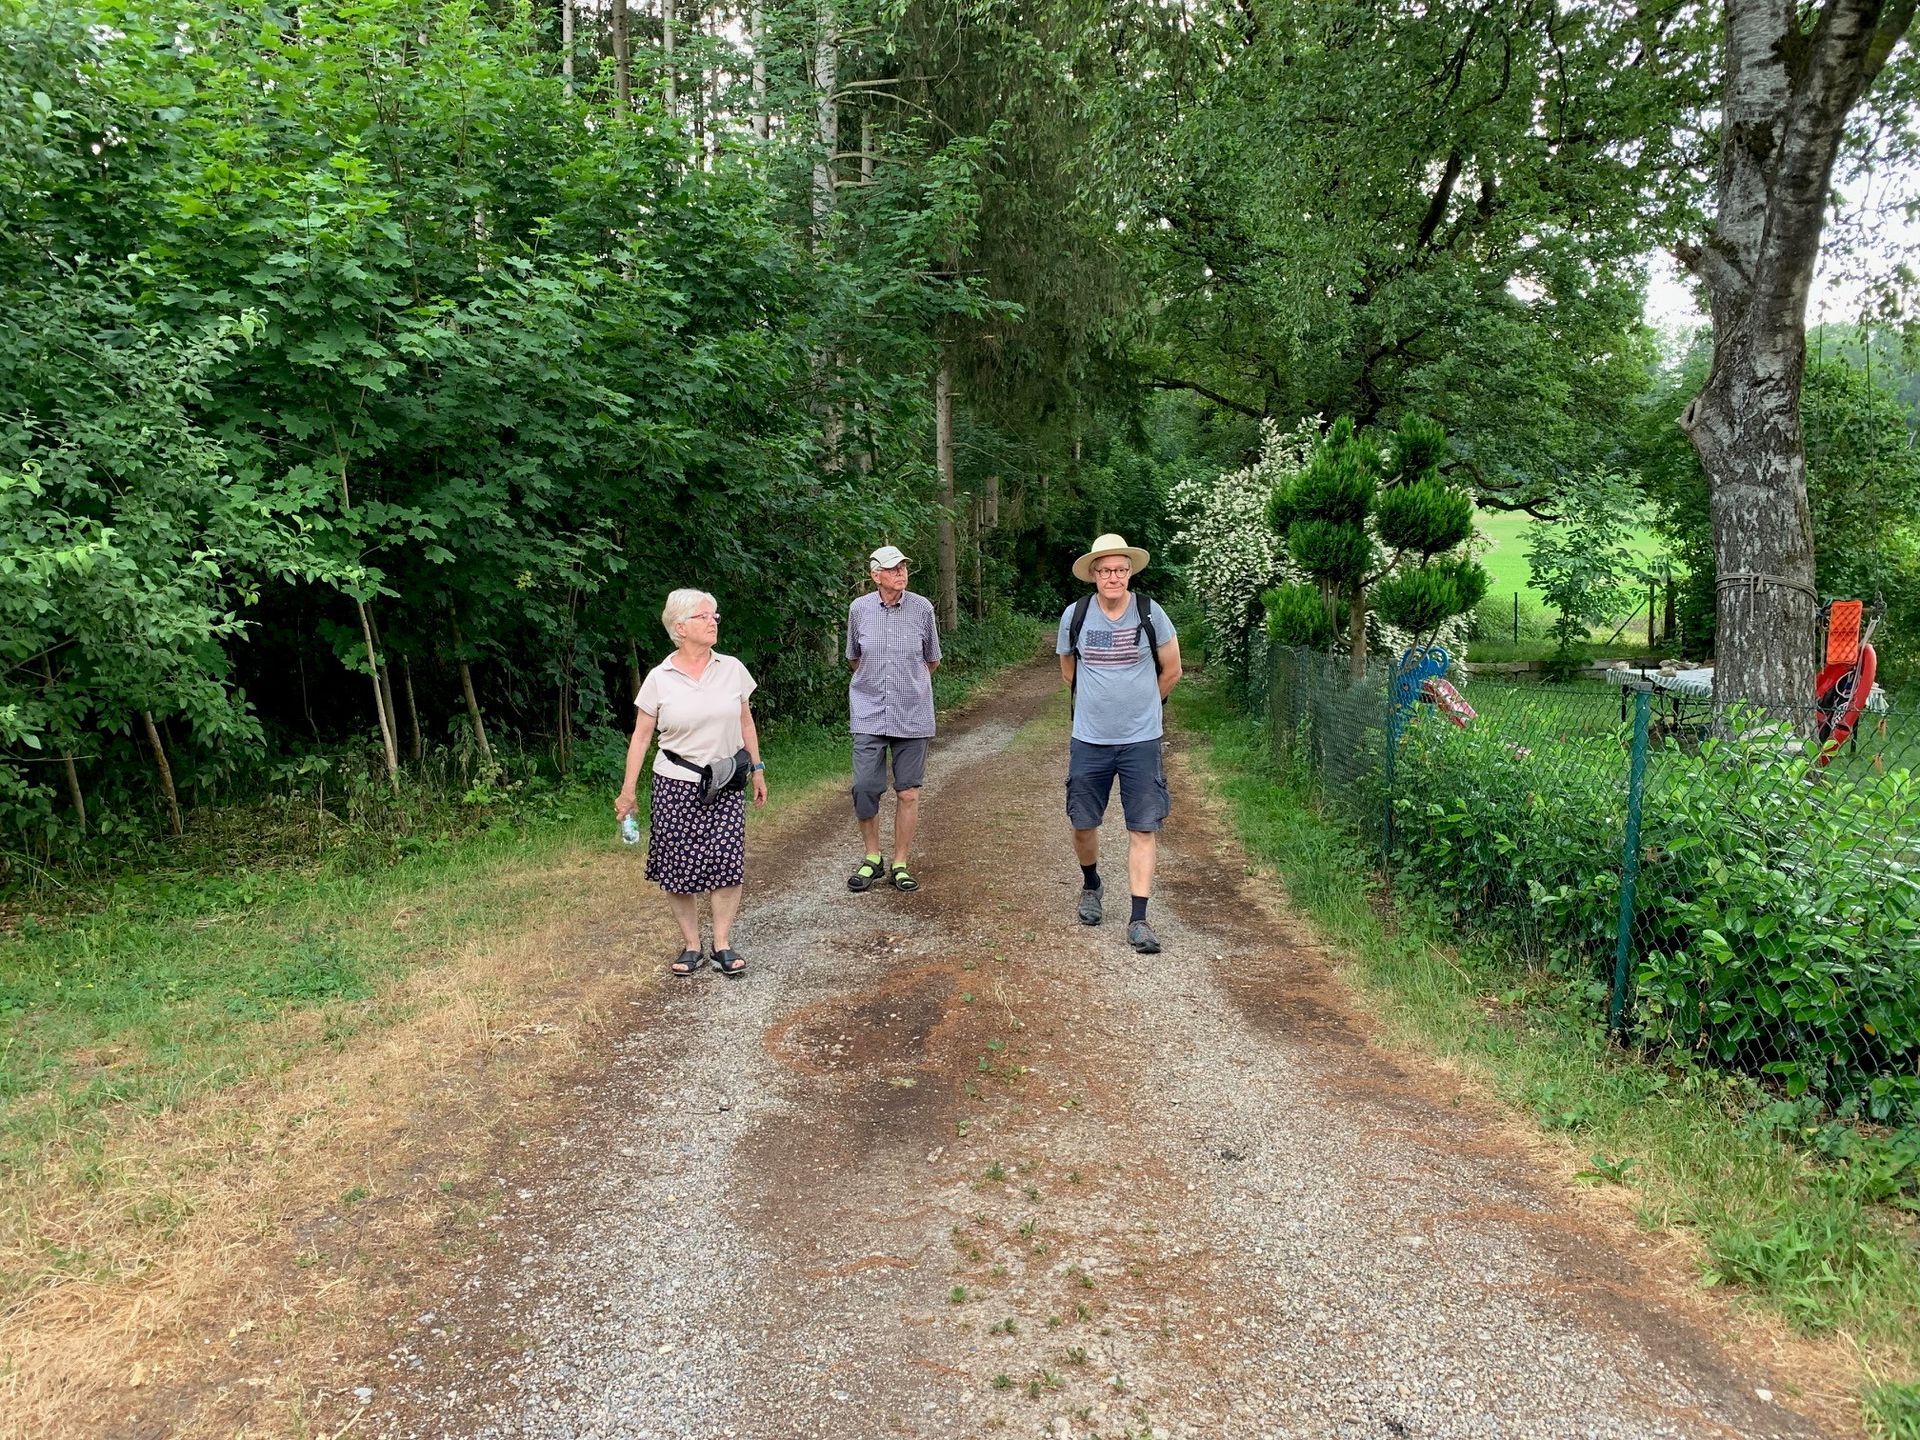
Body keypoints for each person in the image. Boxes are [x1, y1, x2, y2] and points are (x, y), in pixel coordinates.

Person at [615, 588, 768, 978]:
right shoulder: (659, 678)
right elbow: (641, 736)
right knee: (677, 867)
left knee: (726, 861)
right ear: (680, 627)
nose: (713, 621)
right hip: (675, 782)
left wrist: (758, 767)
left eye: (714, 615)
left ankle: (721, 942)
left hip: (726, 779)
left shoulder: (732, 668)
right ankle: (691, 945)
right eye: (704, 616)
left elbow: (745, 720)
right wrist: (628, 790)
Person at [1056, 534, 1183, 954]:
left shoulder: (1151, 613)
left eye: (1121, 570)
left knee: (1143, 827)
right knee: (1082, 822)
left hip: (1141, 741)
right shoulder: (1075, 616)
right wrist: (1102, 703)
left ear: (1130, 572)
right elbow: (1069, 670)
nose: (1114, 577)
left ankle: (1139, 919)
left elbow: (1172, 669)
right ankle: (1091, 883)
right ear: (1094, 575)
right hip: (1089, 739)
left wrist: (1145, 706)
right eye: (1106, 570)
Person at [845, 544, 941, 893]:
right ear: (876, 575)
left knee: (909, 792)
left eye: (903, 567)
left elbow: (931, 660)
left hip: (912, 713)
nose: (900, 573)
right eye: (892, 568)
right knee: (865, 789)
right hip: (869, 712)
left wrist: (906, 683)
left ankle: (900, 862)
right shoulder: (859, 610)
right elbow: (854, 657)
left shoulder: (922, 608)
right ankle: (873, 857)